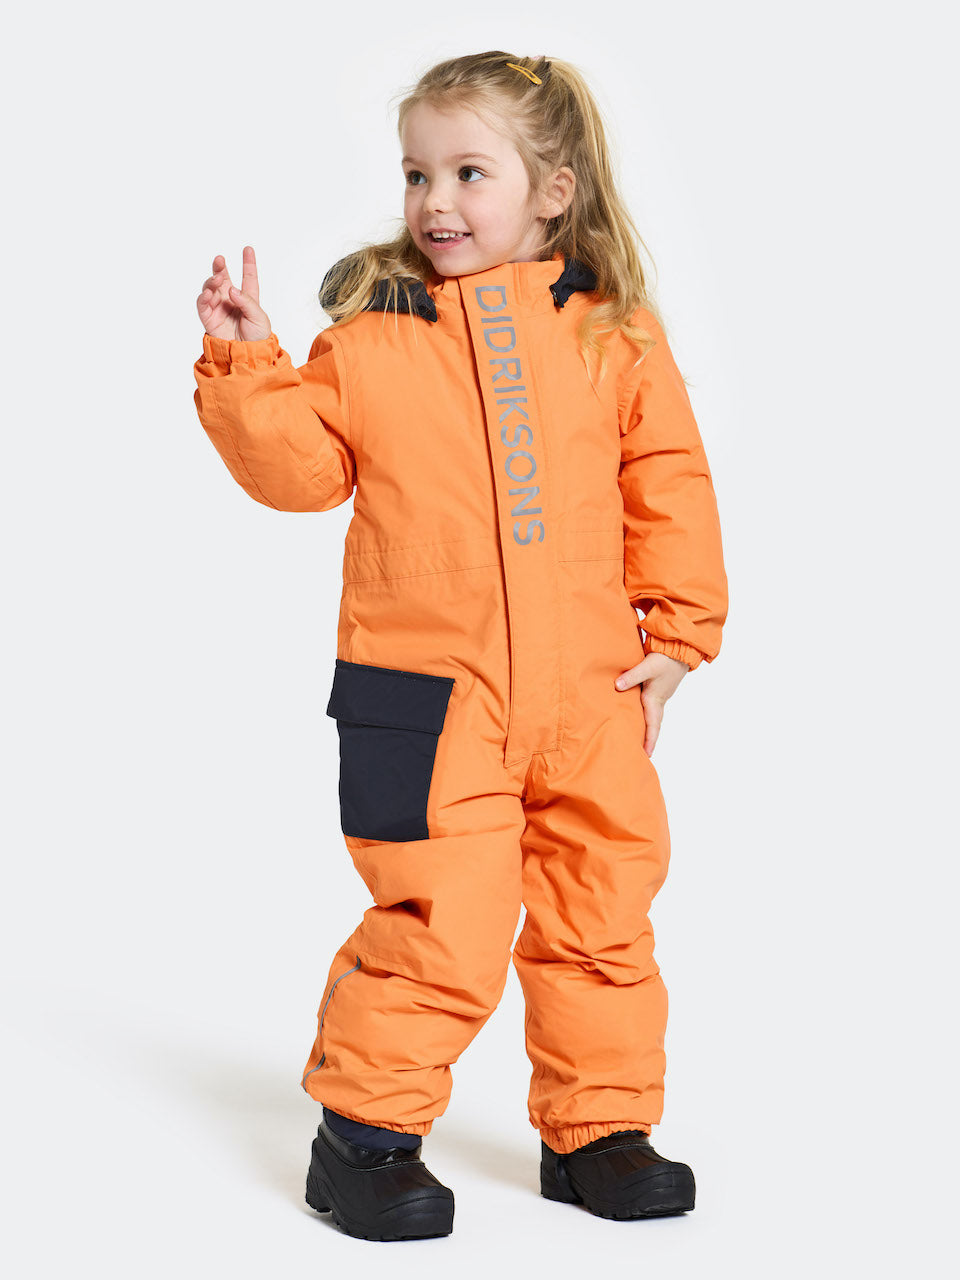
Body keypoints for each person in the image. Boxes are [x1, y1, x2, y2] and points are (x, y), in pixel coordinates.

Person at [193, 50, 728, 1242]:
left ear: (553, 190)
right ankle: (363, 1136)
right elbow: (300, 474)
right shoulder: (375, 341)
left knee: (602, 909)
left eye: (468, 173)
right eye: (416, 174)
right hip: (428, 701)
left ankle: (598, 1129)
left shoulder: (614, 336)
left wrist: (682, 635)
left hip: (591, 694)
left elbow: (669, 483)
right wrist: (247, 361)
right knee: (443, 915)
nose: (434, 200)